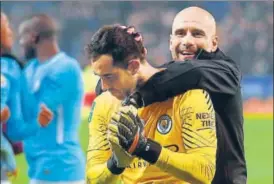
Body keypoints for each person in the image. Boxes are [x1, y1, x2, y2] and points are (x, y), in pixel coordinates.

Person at [94, 7, 247, 184]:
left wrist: (135, 92)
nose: (187, 40)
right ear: (170, 41)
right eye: (180, 33)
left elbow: (192, 73)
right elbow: (104, 87)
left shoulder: (226, 73)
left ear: (214, 43)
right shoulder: (165, 77)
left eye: (197, 34)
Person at [86, 24, 218, 184]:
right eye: (99, 77)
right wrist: (116, 163)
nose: (104, 86)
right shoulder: (104, 104)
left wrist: (144, 148)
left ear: (133, 66)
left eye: (109, 76)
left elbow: (205, 172)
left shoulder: (189, 96)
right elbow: (93, 179)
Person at [18, 14, 85, 184]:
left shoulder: (66, 68)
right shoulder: (30, 69)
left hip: (62, 167)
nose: (20, 43)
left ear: (34, 37)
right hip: (37, 167)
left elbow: (37, 111)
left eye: (23, 37)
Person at [0, 12, 53, 184]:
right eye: (6, 24)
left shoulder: (11, 67)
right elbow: (17, 130)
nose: (11, 32)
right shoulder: (9, 68)